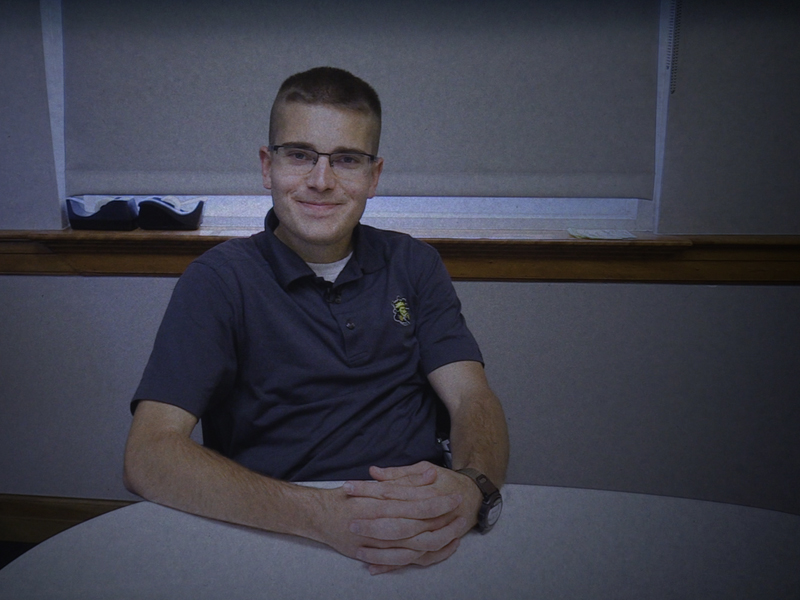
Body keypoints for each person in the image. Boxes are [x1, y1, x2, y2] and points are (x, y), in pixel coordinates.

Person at [123, 66, 509, 575]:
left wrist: (471, 485)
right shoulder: (218, 281)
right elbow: (148, 456)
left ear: (374, 176)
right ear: (267, 166)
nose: (321, 181)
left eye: (347, 160)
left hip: (428, 534)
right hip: (281, 535)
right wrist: (323, 517)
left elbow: (471, 398)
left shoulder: (414, 264)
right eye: (300, 155)